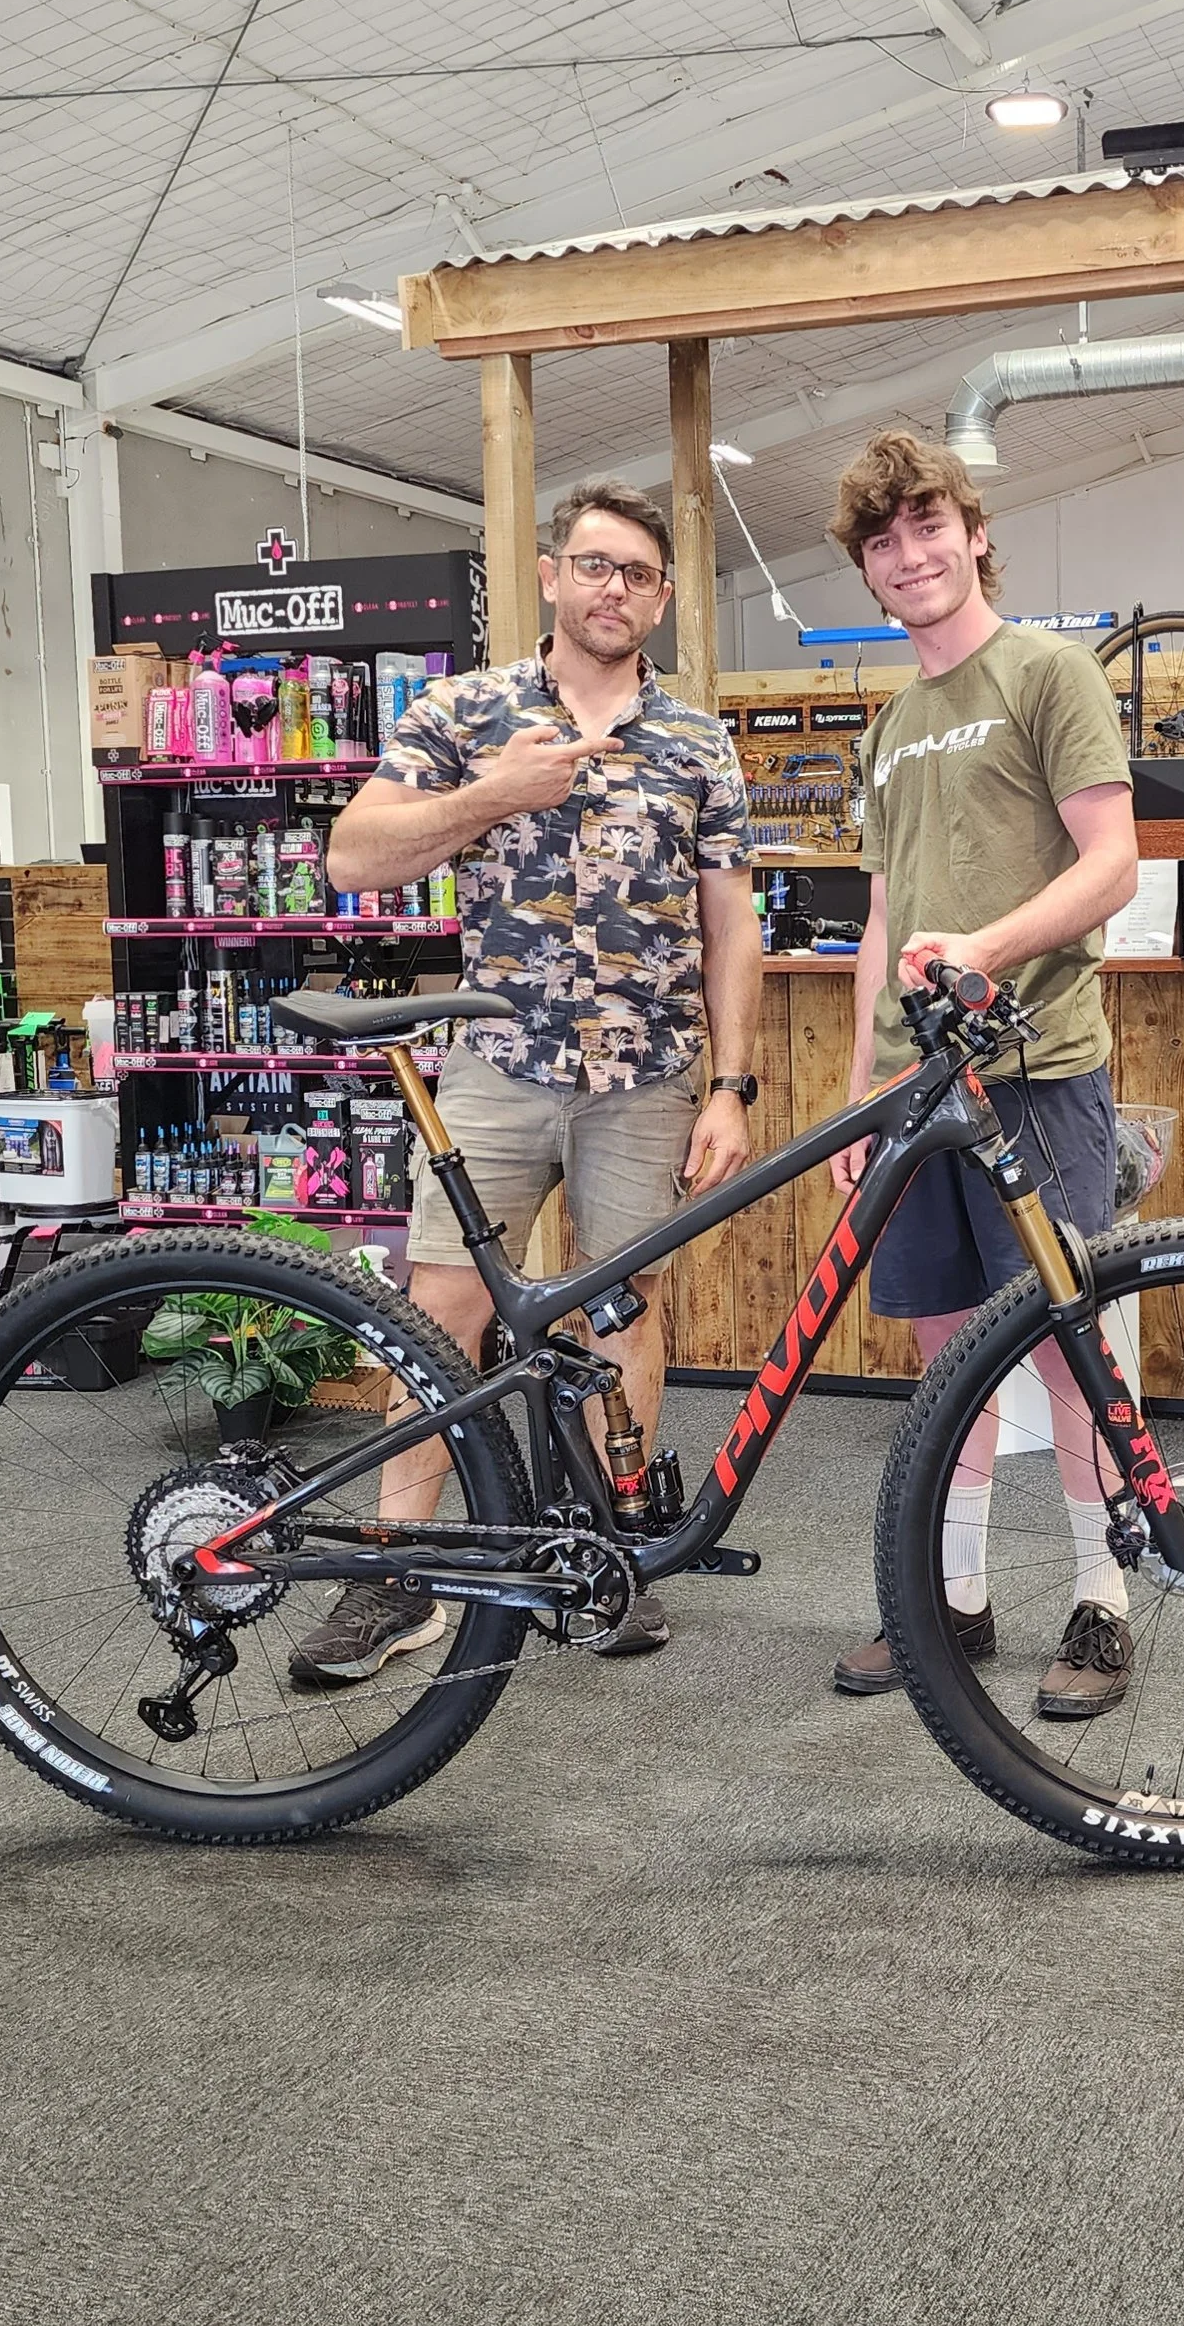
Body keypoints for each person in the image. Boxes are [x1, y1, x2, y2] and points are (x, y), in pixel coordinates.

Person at [288, 480, 760, 1684]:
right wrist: (495, 793)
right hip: (493, 1063)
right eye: (596, 565)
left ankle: (608, 1554)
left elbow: (730, 929)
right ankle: (396, 1570)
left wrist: (733, 1086)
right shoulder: (465, 709)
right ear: (552, 575)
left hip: (647, 1074)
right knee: (439, 1312)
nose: (616, 588)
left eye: (639, 574)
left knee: (624, 1313)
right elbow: (352, 856)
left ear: (660, 596)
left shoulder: (698, 741)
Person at [821, 431, 1142, 1718]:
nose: (910, 556)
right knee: (947, 1358)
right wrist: (860, 1086)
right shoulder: (890, 724)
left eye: (926, 526)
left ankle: (1105, 1602)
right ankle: (948, 1604)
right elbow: (883, 915)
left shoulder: (1049, 671)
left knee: (1067, 1350)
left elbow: (1111, 863)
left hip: (1035, 1069)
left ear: (972, 529)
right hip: (914, 1096)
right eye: (882, 543)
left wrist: (989, 951)